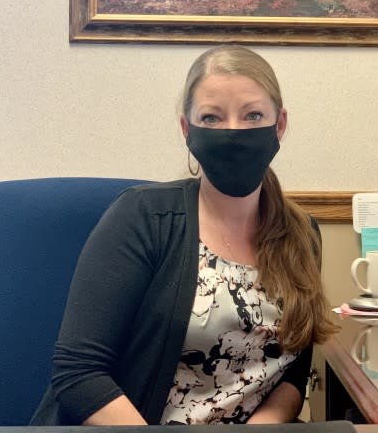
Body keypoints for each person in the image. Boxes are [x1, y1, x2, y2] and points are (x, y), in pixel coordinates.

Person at [30, 45, 338, 426]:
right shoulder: (145, 218)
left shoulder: (302, 235)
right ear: (186, 130)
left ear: (279, 125)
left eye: (252, 115)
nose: (233, 132)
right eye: (211, 118)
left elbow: (293, 371)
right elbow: (78, 373)